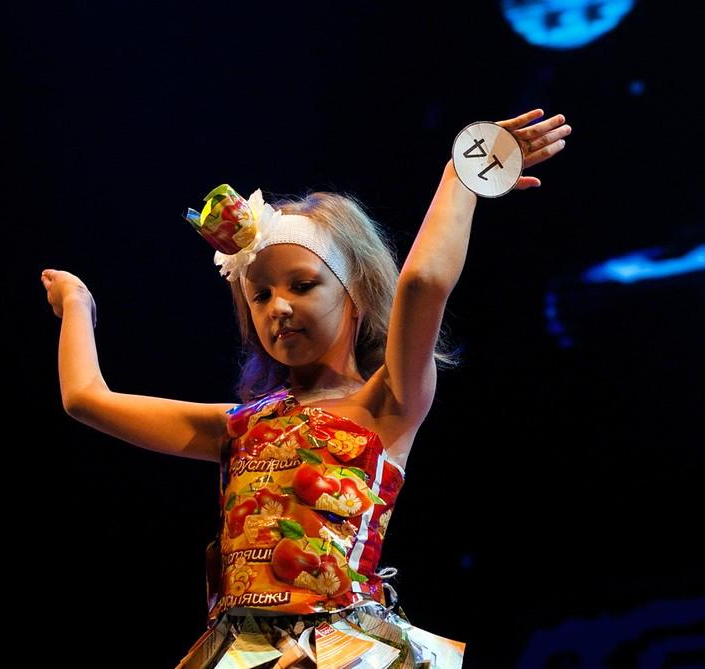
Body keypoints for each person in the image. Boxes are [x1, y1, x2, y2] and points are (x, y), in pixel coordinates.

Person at [41, 108, 570, 668]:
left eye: (302, 285)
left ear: (355, 294)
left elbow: (422, 283)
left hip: (344, 650)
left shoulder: (387, 402)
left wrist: (459, 176)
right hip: (243, 653)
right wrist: (77, 305)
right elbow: (85, 399)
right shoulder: (236, 427)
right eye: (260, 295)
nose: (279, 307)